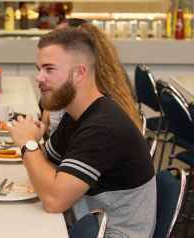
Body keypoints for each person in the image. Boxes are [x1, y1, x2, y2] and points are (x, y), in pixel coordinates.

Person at [9, 25, 155, 237]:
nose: (39, 78)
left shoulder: (103, 127)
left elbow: (54, 201)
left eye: (49, 69)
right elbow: (47, 167)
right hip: (86, 225)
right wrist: (39, 157)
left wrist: (29, 144)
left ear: (79, 73)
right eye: (38, 69)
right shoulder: (76, 114)